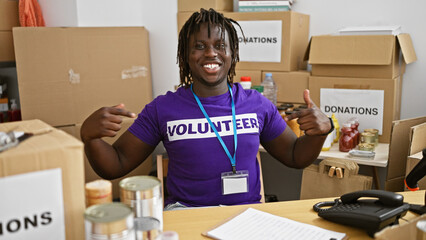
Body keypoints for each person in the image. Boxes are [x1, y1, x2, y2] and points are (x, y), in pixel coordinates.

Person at [80, 8, 333, 209]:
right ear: (185, 56)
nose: (210, 53)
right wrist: (90, 137)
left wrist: (319, 133)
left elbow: (294, 156)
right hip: (186, 211)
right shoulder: (162, 108)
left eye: (220, 46)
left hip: (246, 213)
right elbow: (115, 164)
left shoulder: (257, 105)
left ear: (232, 53)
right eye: (199, 46)